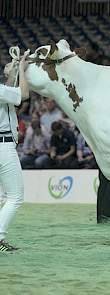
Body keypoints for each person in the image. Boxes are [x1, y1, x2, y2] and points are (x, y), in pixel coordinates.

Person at [0, 49, 30, 252]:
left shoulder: (3, 90)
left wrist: (13, 69)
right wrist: (21, 68)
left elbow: (9, 89)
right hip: (3, 144)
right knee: (15, 196)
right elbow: (23, 95)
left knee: (4, 196)